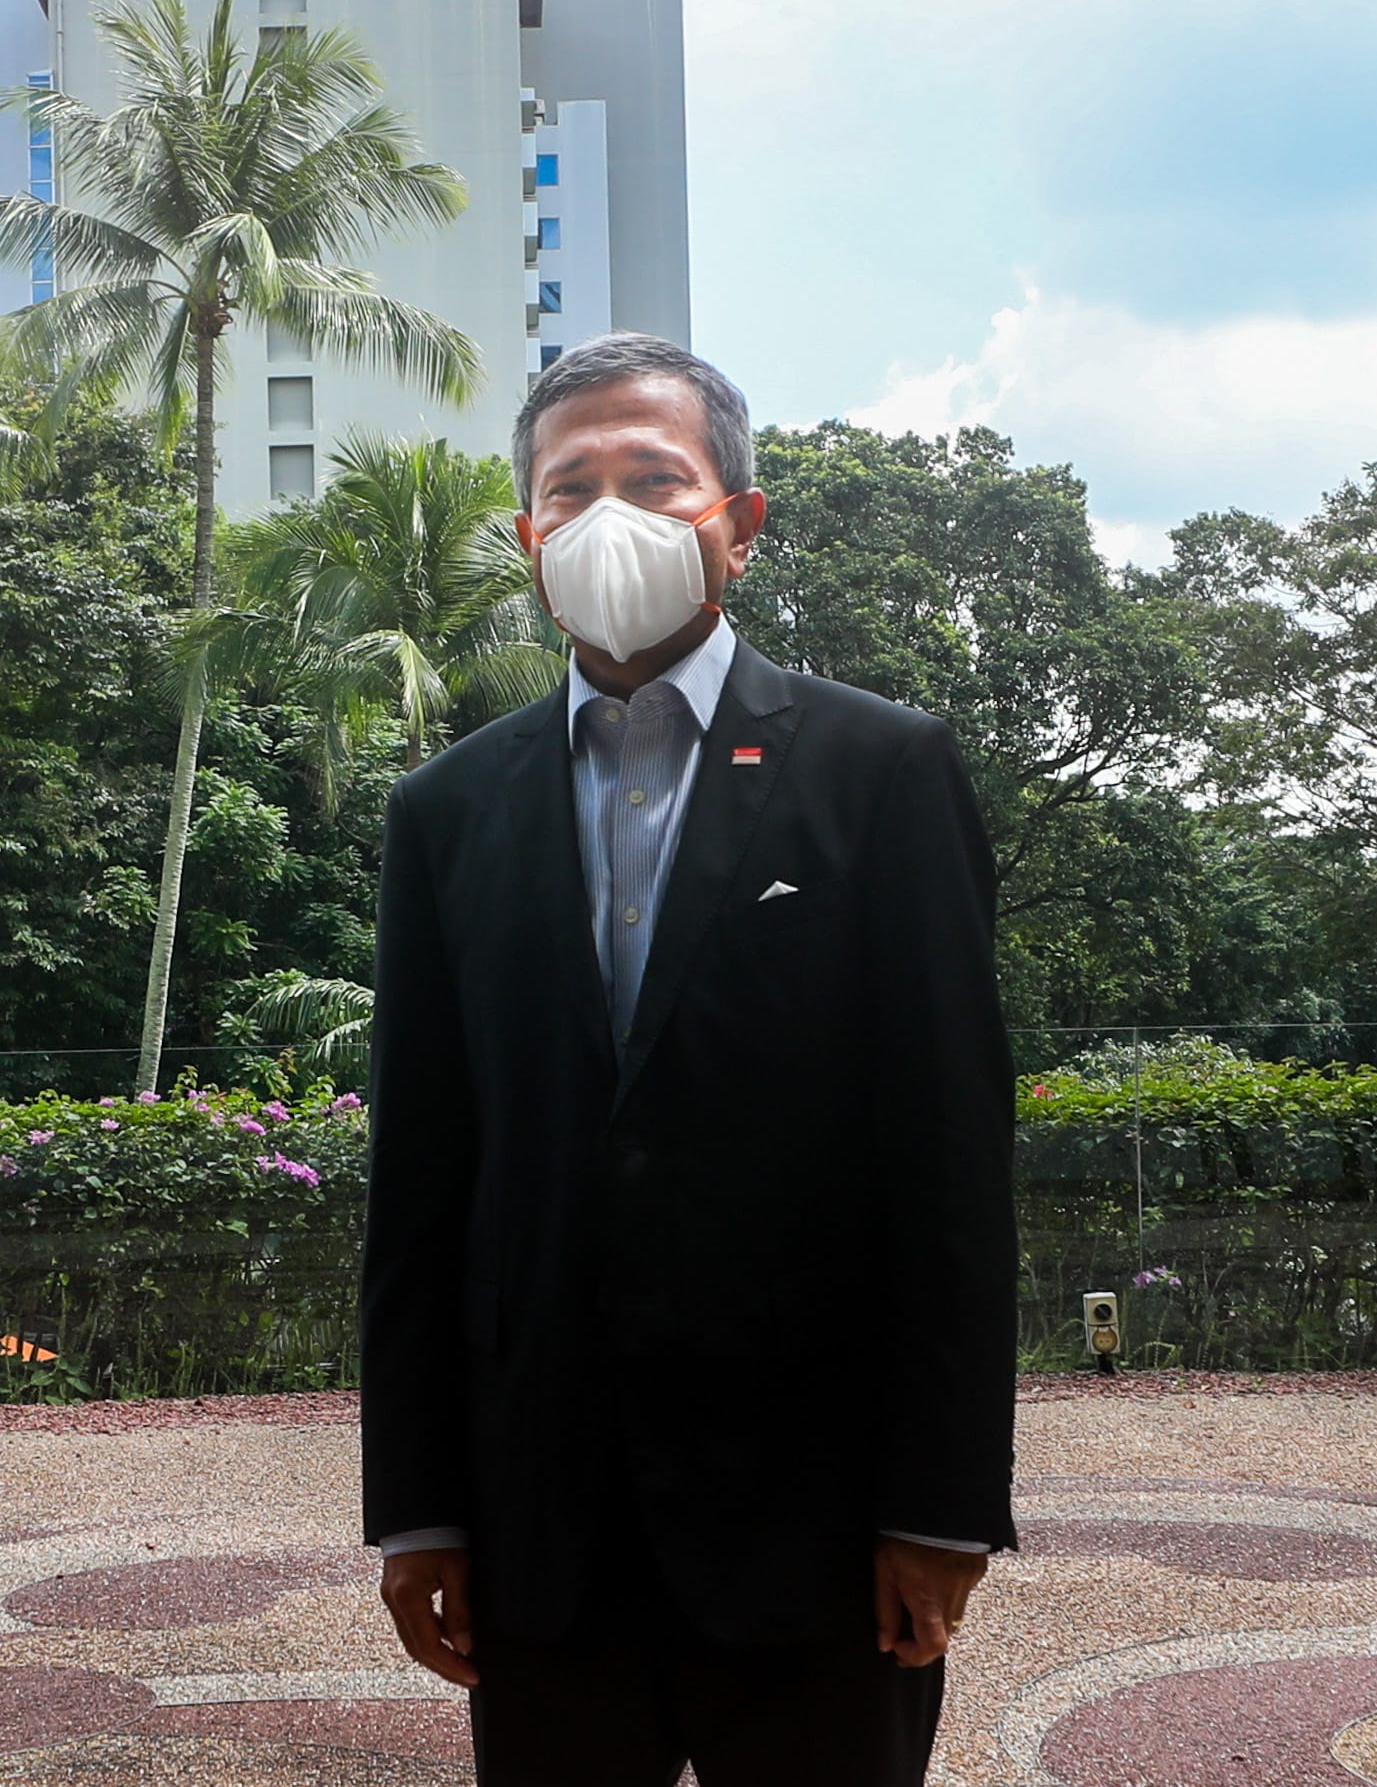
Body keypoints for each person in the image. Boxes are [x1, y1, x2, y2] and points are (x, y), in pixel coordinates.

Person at [359, 332, 1018, 1785]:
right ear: (527, 536)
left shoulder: (880, 768)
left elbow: (952, 1164)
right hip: (543, 1522)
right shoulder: (446, 810)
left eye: (654, 478)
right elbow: (419, 1179)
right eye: (568, 486)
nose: (608, 516)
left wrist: (942, 1505)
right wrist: (417, 1512)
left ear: (739, 521)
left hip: (822, 1520)